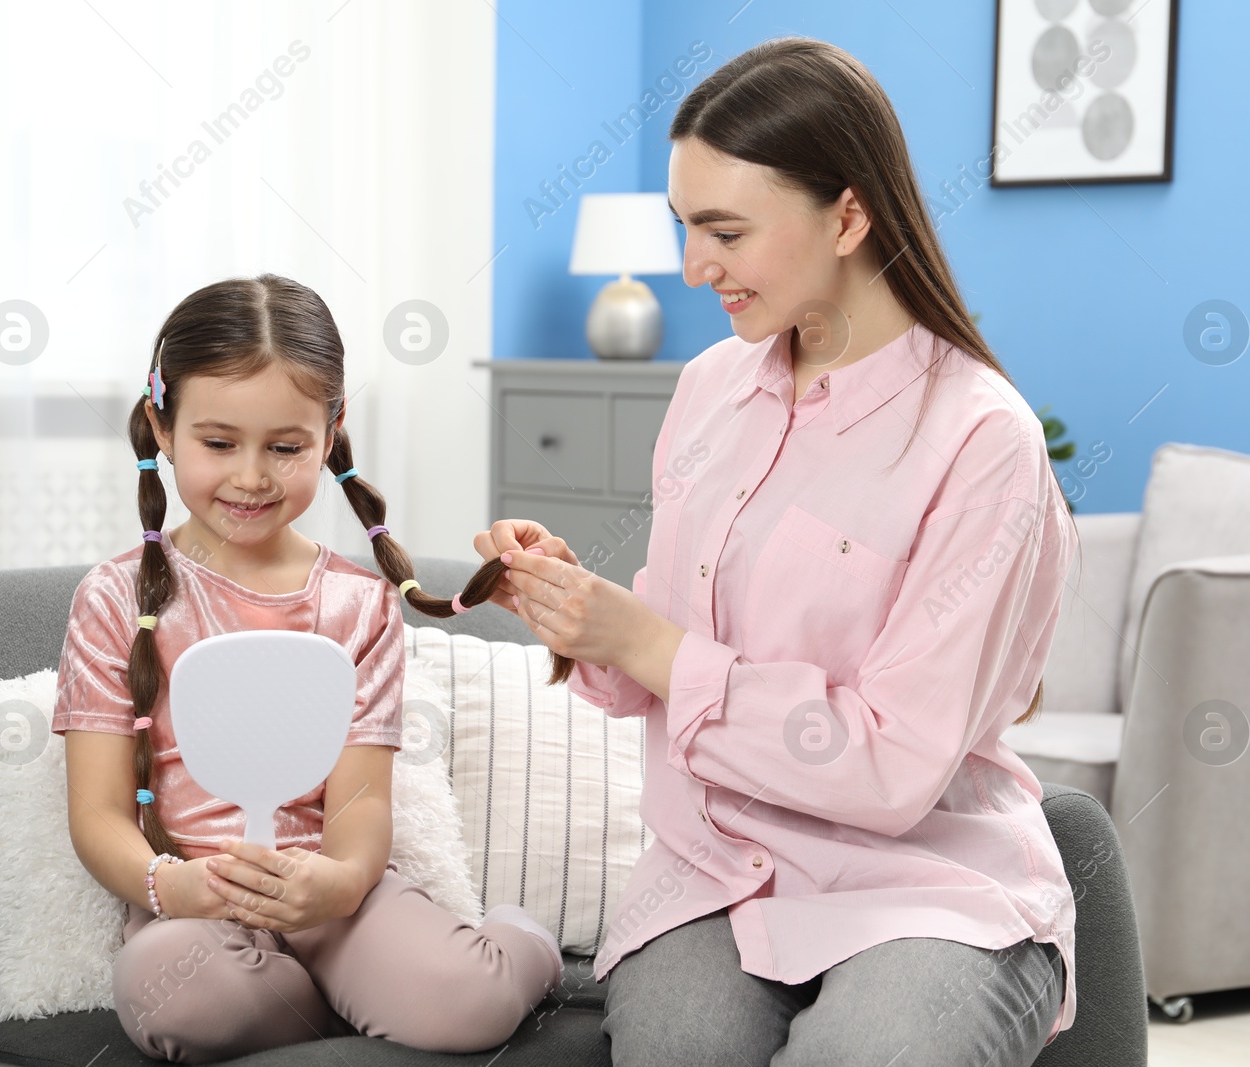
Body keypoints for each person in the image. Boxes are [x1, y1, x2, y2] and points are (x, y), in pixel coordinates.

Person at [474, 37, 1082, 1067]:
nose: (691, 267)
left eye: (724, 230)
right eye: (684, 227)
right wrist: (581, 614)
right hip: (714, 870)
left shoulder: (982, 439)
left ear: (848, 216)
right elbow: (667, 666)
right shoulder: (712, 388)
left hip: (924, 883)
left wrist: (647, 639)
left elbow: (891, 766)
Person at [53, 274, 562, 1063]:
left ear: (331, 433)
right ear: (161, 423)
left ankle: (517, 944)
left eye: (285, 448)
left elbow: (360, 804)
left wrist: (343, 881)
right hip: (194, 906)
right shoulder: (113, 598)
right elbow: (97, 815)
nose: (252, 476)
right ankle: (319, 999)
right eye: (218, 443)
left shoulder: (357, 605)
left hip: (330, 897)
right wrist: (170, 887)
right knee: (172, 992)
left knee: (469, 1001)